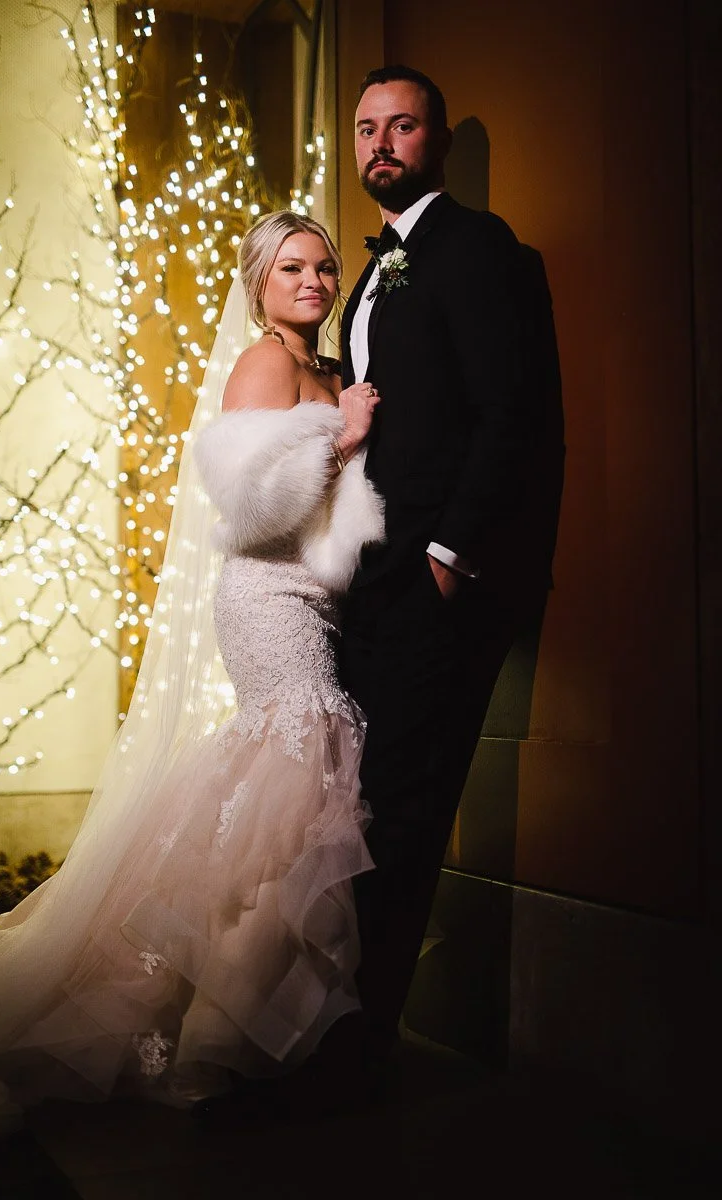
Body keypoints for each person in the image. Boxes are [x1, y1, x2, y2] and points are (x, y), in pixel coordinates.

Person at [0, 210, 385, 1140]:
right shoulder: (265, 363)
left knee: (278, 806)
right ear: (258, 285)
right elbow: (252, 508)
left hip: (317, 601)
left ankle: (230, 1017)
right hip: (266, 601)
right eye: (290, 267)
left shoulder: (329, 369)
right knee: (300, 777)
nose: (312, 281)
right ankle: (222, 1035)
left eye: (324, 268)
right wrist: (339, 437)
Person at [329, 65, 564, 1085]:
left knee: (402, 812)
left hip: (433, 583)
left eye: (403, 126)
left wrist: (442, 560)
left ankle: (354, 1056)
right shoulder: (371, 273)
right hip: (369, 581)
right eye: (366, 127)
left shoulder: (475, 247)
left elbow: (509, 413)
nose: (381, 143)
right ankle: (330, 1034)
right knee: (357, 811)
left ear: (435, 143)